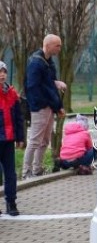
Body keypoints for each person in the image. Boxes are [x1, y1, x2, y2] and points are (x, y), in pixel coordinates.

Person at [21, 34, 67, 179]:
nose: (60, 48)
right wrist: (41, 105)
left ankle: (37, 170)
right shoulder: (36, 63)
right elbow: (32, 87)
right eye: (57, 45)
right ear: (48, 46)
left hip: (49, 106)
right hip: (40, 107)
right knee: (35, 140)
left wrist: (56, 83)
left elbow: (47, 83)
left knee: (45, 140)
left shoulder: (48, 62)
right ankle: (26, 173)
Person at [0, 62, 25, 216]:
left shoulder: (12, 94)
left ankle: (11, 202)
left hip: (8, 140)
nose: (2, 75)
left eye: (4, 71)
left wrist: (20, 137)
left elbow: (19, 118)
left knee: (10, 173)